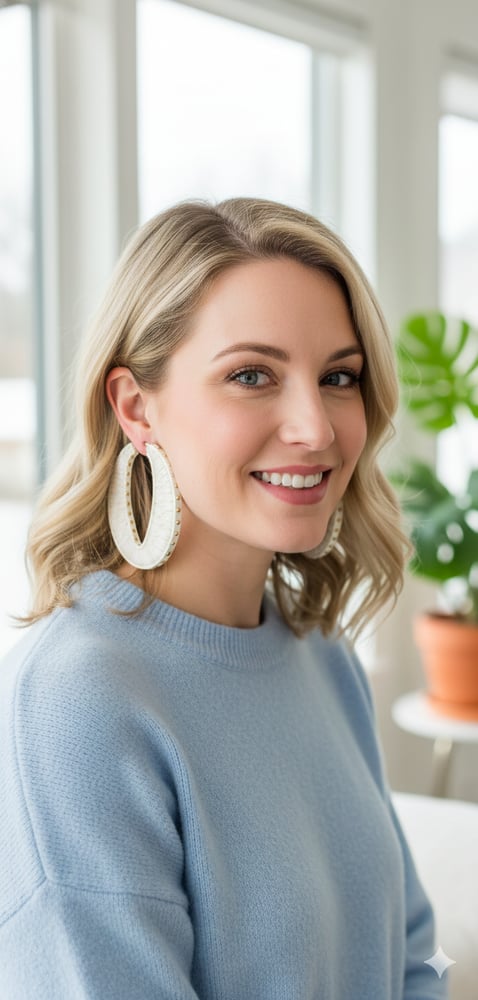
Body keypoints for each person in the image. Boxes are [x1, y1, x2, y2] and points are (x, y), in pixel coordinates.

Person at [0, 198, 448, 999]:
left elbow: (410, 957)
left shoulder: (320, 654)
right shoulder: (79, 699)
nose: (315, 426)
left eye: (339, 377)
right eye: (252, 375)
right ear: (136, 408)